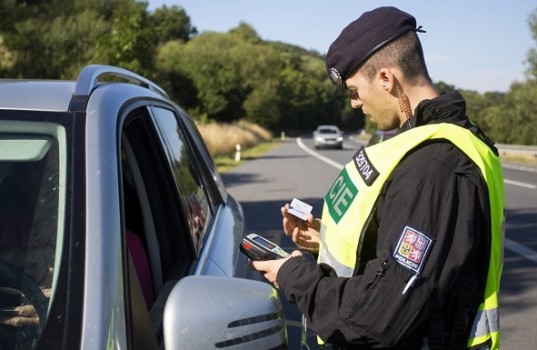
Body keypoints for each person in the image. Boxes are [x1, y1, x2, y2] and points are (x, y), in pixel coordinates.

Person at [252, 6, 505, 350]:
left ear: (386, 79)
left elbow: (379, 316)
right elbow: (402, 248)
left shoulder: (435, 165)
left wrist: (293, 275)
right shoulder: (418, 146)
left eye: (355, 90)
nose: (354, 103)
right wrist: (324, 237)